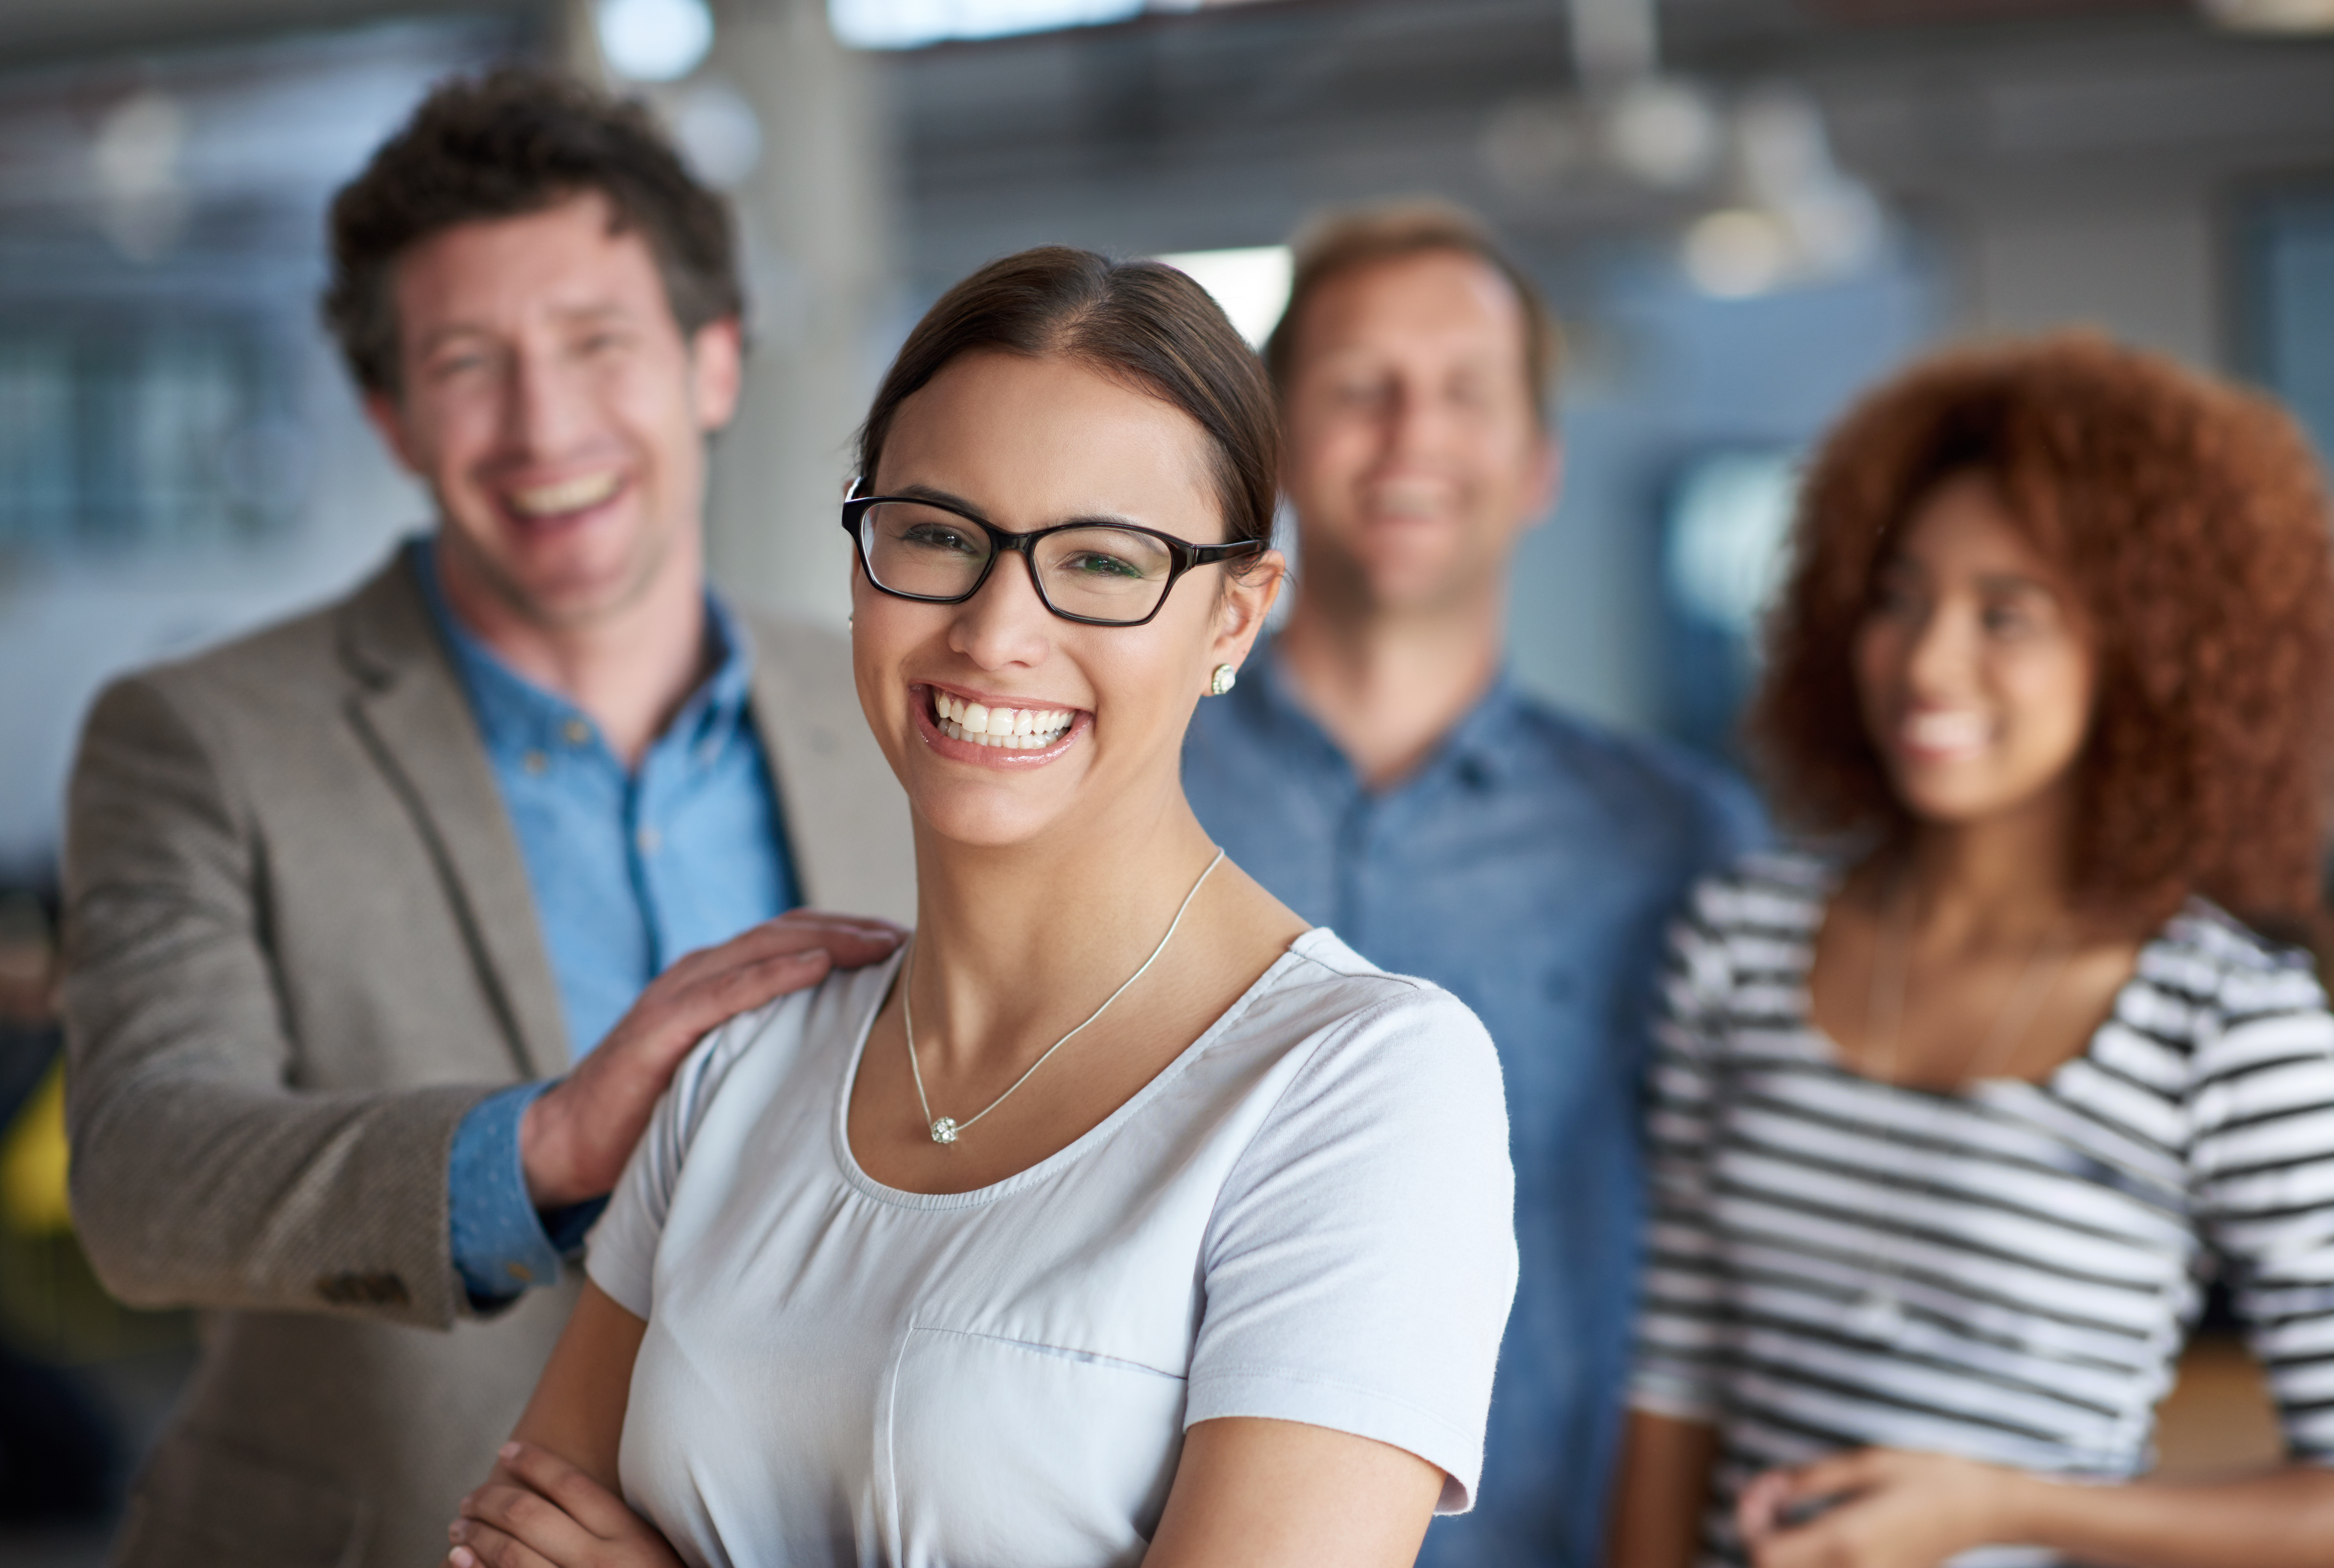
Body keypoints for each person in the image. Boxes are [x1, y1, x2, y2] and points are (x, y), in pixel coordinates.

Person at [441, 246, 1519, 1568]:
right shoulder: (741, 1060)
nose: (996, 627)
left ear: (1234, 619)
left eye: (1105, 561)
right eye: (938, 535)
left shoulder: (1360, 1087)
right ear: (860, 557)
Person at [60, 70, 913, 1568]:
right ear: (392, 414)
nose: (543, 424)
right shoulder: (197, 737)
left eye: (598, 343)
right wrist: (539, 1147)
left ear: (714, 364)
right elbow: (141, 1177)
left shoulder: (894, 706)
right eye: (467, 362)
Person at [1608, 334, 2334, 1568]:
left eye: (2008, 614)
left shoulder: (2230, 1027)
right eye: (1899, 596)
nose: (1927, 658)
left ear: (2147, 654)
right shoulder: (1741, 937)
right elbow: (1675, 1361)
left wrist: (2004, 1508)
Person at [1181, 200, 1762, 1564]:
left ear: (1538, 459)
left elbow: (1731, 1256)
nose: (1411, 435)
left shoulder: (1679, 836)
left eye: (1462, 391)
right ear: (1272, 444)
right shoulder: (1131, 778)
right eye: (1358, 388)